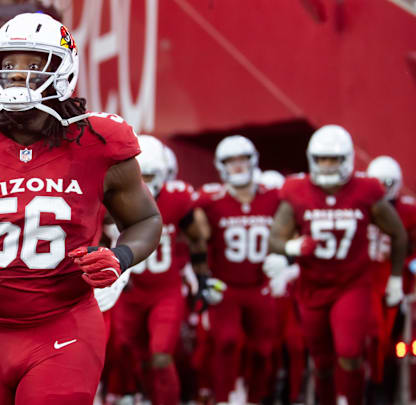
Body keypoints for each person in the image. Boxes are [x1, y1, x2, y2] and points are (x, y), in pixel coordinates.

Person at [0, 13, 162, 405]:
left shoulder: (99, 140)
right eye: (9, 64)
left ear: (64, 71)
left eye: (34, 64)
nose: (18, 74)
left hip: (64, 322)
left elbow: (147, 221)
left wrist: (119, 256)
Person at [268, 125, 407, 405]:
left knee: (350, 350)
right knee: (321, 361)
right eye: (321, 159)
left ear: (347, 160)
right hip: (312, 286)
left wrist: (394, 278)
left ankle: (354, 400)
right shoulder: (297, 190)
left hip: (352, 283)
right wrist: (293, 247)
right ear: (311, 159)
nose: (327, 166)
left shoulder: (365, 189)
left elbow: (398, 233)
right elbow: (275, 240)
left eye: (333, 159)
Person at [109, 135, 204, 405]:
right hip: (130, 292)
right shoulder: (113, 197)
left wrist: (202, 277)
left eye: (150, 175)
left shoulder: (178, 198)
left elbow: (197, 238)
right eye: (140, 175)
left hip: (166, 291)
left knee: (161, 355)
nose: (146, 184)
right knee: (138, 357)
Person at [192, 135, 280, 404]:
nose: (238, 166)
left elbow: (293, 225)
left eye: (242, 159)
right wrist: (203, 278)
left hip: (261, 284)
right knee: (226, 342)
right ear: (221, 166)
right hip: (225, 286)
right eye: (231, 161)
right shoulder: (209, 199)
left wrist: (286, 264)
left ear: (253, 161)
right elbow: (190, 227)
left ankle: (255, 397)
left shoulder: (275, 196)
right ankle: (223, 397)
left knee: (264, 350)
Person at [365, 155, 416, 401]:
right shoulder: (360, 206)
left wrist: (410, 266)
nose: (383, 189)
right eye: (378, 183)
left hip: (396, 288)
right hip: (364, 286)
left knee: (392, 346)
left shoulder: (408, 211)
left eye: (388, 183)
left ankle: (384, 392)